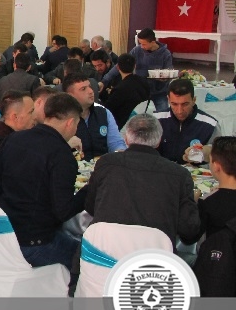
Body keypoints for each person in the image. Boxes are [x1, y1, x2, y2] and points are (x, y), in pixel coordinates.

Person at [0, 93, 88, 270]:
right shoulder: (62, 155)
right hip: (35, 243)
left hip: (4, 234)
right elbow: (63, 212)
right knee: (88, 260)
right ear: (70, 122)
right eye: (77, 124)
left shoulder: (14, 138)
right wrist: (89, 190)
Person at [85, 114, 200, 245]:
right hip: (153, 254)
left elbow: (90, 207)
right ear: (159, 141)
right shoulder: (179, 174)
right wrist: (195, 202)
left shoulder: (106, 163)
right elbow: (189, 231)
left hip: (102, 251)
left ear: (126, 139)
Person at [102, 28, 172, 112]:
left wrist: (164, 77)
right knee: (137, 113)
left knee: (163, 113)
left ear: (153, 42)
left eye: (144, 44)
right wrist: (104, 80)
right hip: (140, 90)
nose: (142, 46)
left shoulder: (165, 54)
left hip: (159, 92)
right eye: (140, 43)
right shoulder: (137, 50)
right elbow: (120, 65)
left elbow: (169, 71)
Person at [62, 72, 126, 158]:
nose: (91, 91)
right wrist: (65, 145)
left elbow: (116, 143)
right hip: (73, 165)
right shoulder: (61, 118)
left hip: (104, 164)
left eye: (90, 86)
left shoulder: (104, 113)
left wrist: (120, 153)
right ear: (70, 96)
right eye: (83, 89)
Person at [155, 78, 219, 163]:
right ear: (168, 100)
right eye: (174, 104)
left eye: (185, 104)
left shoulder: (210, 124)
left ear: (194, 100)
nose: (179, 111)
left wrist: (204, 153)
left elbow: (219, 156)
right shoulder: (155, 120)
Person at [195, 136, 236, 241]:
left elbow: (190, 237)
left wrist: (193, 203)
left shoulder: (208, 201)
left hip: (217, 249)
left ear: (216, 166)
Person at [102, 53, 150, 129]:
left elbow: (108, 109)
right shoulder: (144, 82)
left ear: (118, 67)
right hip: (143, 122)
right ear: (135, 66)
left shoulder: (119, 88)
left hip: (124, 126)